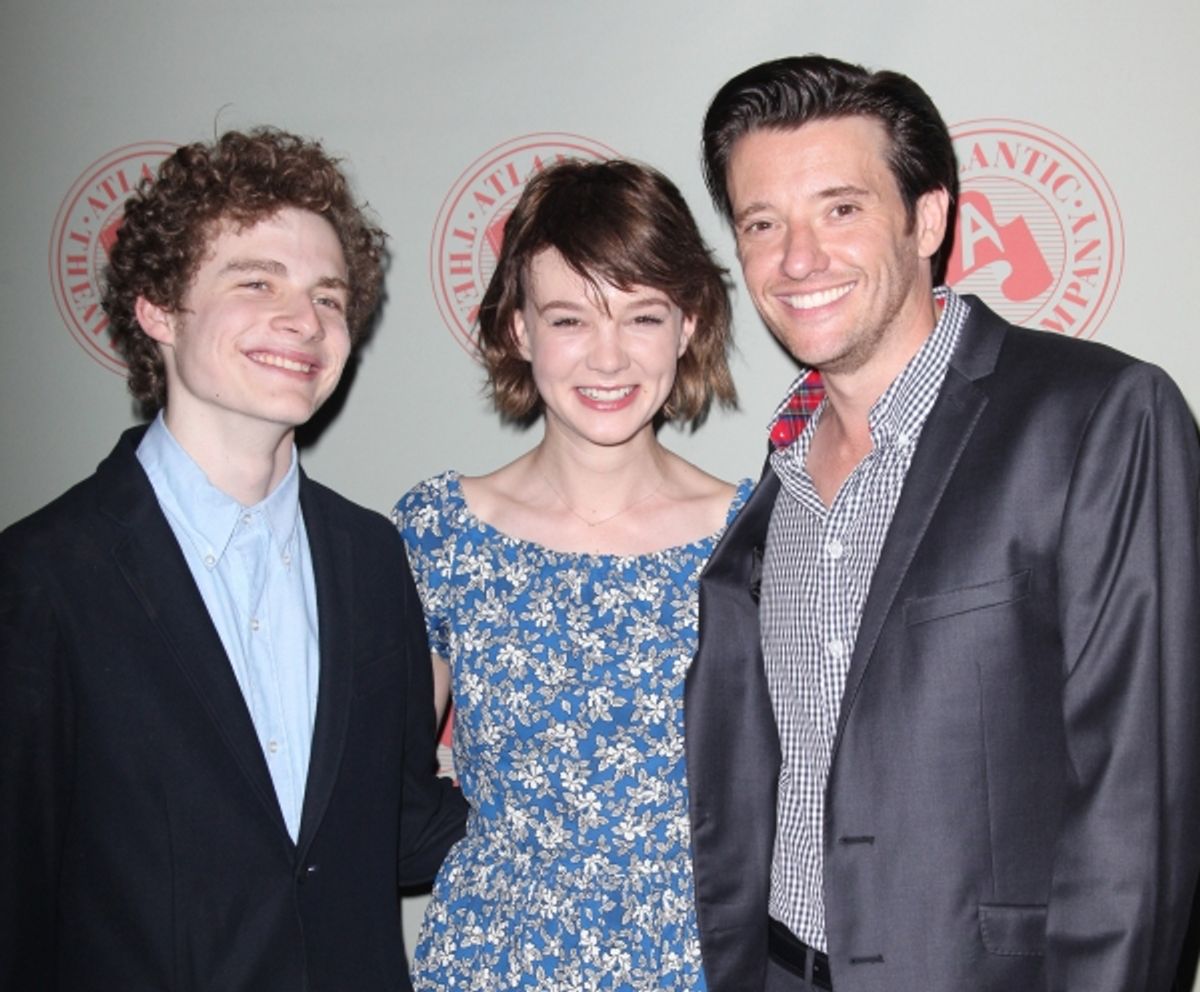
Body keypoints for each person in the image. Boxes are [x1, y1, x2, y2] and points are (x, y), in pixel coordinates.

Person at [686, 55, 1200, 992]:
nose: (798, 258)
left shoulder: (1095, 416)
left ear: (928, 219)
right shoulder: (779, 468)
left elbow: (1138, 810)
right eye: (763, 223)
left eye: (840, 208)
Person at [0, 128, 467, 992]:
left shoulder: (372, 557)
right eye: (257, 282)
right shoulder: (41, 579)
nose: (305, 320)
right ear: (158, 309)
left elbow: (400, 824)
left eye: (330, 297)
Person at [393, 158, 750, 990]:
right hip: (493, 961)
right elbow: (386, 787)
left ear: (688, 324)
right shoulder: (443, 534)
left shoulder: (753, 535)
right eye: (569, 319)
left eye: (642, 316)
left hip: (695, 962)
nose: (609, 357)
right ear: (519, 329)